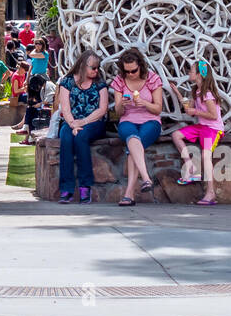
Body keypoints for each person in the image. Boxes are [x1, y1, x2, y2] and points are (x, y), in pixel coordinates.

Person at [110, 48, 164, 206]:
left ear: (140, 66)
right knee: (132, 137)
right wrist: (121, 104)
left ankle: (129, 194)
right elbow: (118, 113)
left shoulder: (152, 78)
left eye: (134, 70)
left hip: (150, 121)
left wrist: (144, 103)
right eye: (127, 71)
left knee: (133, 145)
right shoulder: (120, 80)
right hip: (127, 120)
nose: (131, 74)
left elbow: (158, 109)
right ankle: (146, 179)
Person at [55, 50, 109, 204]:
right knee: (66, 139)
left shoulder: (99, 84)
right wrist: (73, 123)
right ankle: (66, 189)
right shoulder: (67, 82)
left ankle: (85, 186)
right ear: (83, 66)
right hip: (71, 122)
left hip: (93, 123)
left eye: (97, 67)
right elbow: (65, 108)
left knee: (81, 137)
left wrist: (82, 123)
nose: (96, 71)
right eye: (93, 67)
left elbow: (102, 109)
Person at [171, 60, 225, 206]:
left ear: (199, 74)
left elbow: (213, 115)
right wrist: (177, 93)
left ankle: (211, 192)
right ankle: (190, 166)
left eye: (191, 71)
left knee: (205, 156)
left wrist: (195, 111)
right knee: (176, 135)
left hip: (213, 129)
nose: (189, 73)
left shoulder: (208, 94)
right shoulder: (196, 91)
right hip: (201, 126)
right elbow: (190, 109)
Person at [9, 60, 30, 132]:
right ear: (21, 68)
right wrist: (24, 89)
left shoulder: (23, 75)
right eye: (25, 70)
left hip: (22, 93)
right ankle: (23, 123)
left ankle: (22, 123)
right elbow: (16, 91)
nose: (25, 72)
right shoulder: (16, 76)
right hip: (18, 96)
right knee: (30, 102)